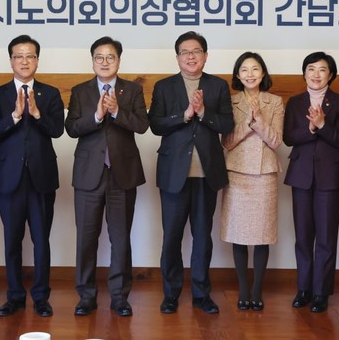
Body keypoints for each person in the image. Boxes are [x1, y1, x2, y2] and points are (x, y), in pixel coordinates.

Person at [148, 31, 234, 315]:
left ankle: (201, 294)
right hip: (174, 173)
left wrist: (204, 112)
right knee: (172, 236)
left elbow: (227, 124)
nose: (190, 56)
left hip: (207, 174)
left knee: (202, 236)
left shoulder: (218, 86)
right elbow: (155, 124)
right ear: (177, 57)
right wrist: (185, 115)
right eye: (185, 52)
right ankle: (170, 294)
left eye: (196, 51)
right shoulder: (164, 86)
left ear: (205, 56)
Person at [65, 36, 149, 317]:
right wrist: (98, 116)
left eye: (110, 57)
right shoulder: (80, 91)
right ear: (92, 61)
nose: (104, 62)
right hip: (88, 175)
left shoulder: (132, 90)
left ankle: (120, 298)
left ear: (118, 61)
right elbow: (72, 128)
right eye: (99, 57)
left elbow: (142, 125)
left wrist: (117, 111)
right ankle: (86, 297)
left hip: (122, 175)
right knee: (86, 240)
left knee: (120, 239)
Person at [0, 35, 64, 318]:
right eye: (18, 56)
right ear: (11, 61)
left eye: (29, 56)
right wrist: (15, 116)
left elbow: (57, 130)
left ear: (37, 61)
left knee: (41, 241)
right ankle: (15, 297)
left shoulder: (50, 93)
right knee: (12, 241)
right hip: (10, 178)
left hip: (41, 177)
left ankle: (41, 297)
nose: (24, 61)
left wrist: (37, 114)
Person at [283, 52, 339, 313]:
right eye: (311, 69)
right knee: (302, 236)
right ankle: (304, 288)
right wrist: (311, 129)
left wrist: (322, 125)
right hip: (301, 174)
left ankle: (321, 292)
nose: (316, 74)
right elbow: (289, 137)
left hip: (330, 175)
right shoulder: (295, 102)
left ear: (330, 74)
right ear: (304, 73)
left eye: (322, 69)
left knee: (326, 236)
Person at [220, 52, 284, 311]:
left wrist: (259, 121)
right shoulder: (230, 101)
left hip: (264, 174)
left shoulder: (275, 101)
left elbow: (276, 141)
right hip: (236, 174)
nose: (250, 74)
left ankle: (257, 290)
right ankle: (243, 290)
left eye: (255, 69)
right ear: (237, 75)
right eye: (244, 70)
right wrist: (248, 123)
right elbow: (227, 142)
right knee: (238, 233)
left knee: (262, 234)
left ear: (263, 73)